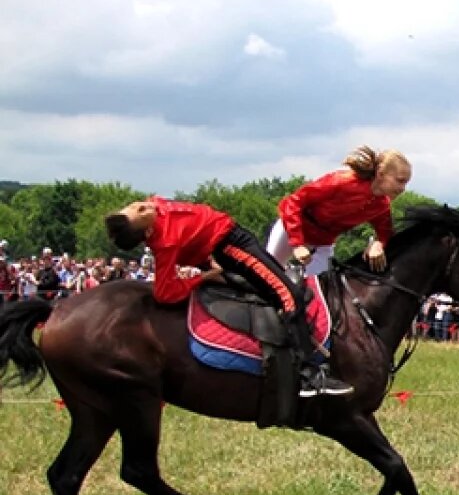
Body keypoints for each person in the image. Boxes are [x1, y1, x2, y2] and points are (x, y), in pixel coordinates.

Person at [104, 196, 352, 397]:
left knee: (277, 292)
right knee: (289, 296)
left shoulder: (152, 206)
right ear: (147, 231)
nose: (142, 205)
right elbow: (164, 292)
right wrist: (205, 276)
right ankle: (309, 376)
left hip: (232, 236)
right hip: (231, 246)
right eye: (139, 211)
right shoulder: (163, 241)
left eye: (134, 207)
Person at [266, 145, 411, 277]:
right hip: (290, 232)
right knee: (266, 274)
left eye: (406, 183)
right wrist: (297, 244)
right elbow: (293, 203)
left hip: (322, 244)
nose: (403, 189)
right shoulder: (342, 181)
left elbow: (386, 233)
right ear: (380, 174)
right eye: (400, 181)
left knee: (319, 292)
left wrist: (378, 244)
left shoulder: (382, 205)